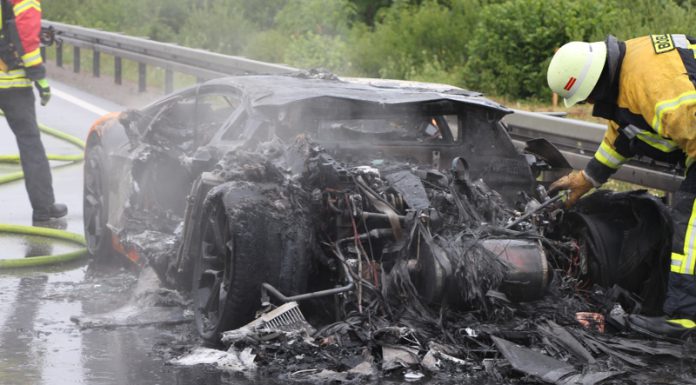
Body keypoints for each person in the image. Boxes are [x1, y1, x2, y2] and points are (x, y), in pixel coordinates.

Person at [547, 34, 696, 337]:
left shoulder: (656, 86)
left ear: (595, 82)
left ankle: (682, 319)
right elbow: (625, 135)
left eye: (587, 97)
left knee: (688, 229)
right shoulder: (628, 73)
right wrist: (586, 178)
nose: (588, 104)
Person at [0, 0, 66, 221]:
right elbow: (27, 37)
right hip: (11, 84)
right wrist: (38, 76)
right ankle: (43, 208)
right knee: (30, 142)